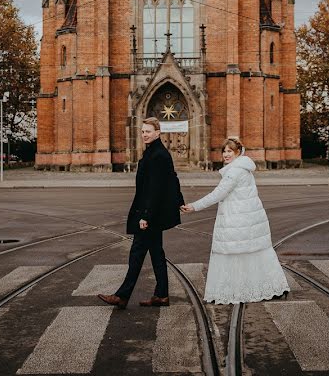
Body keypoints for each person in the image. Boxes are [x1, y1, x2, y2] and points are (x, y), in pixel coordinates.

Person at [181, 138, 289, 304]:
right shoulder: (244, 168)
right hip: (249, 218)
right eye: (224, 151)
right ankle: (271, 287)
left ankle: (238, 291)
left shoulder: (234, 172)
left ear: (238, 152)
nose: (226, 154)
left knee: (233, 252)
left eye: (229, 151)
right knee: (254, 253)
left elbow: (218, 194)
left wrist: (194, 206)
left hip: (237, 219)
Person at [98, 117, 184, 309]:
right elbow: (171, 180)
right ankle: (161, 295)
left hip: (150, 215)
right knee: (156, 253)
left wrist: (145, 216)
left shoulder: (158, 155)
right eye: (143, 131)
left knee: (137, 252)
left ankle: (122, 296)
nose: (145, 134)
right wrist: (179, 201)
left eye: (148, 131)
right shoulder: (155, 153)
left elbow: (155, 189)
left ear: (158, 133)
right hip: (154, 214)